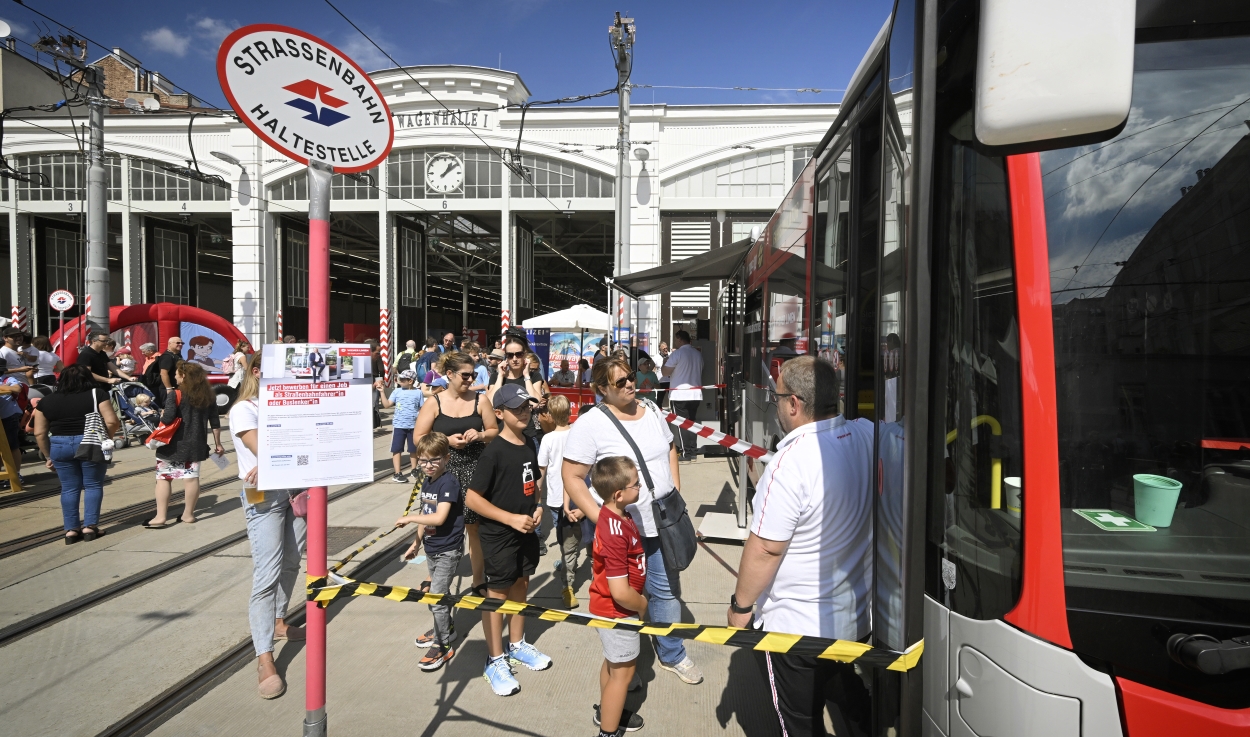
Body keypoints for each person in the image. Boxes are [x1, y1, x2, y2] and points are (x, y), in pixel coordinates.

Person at [727, 356, 873, 737]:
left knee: (798, 723)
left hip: (793, 633)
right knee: (847, 693)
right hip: (853, 620)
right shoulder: (867, 436)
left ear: (793, 403)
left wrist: (740, 608)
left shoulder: (787, 463)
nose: (775, 406)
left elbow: (765, 549)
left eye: (777, 398)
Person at [562, 356, 704, 686]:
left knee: (667, 593)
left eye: (630, 377)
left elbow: (670, 448)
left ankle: (671, 654)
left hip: (662, 523)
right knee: (624, 600)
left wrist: (674, 489)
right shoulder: (590, 424)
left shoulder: (652, 410)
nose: (630, 384)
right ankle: (625, 663)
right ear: (601, 390)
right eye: (620, 382)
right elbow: (571, 475)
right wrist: (601, 518)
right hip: (623, 535)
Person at [464, 384, 553, 696]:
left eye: (527, 407)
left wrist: (538, 507)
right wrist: (509, 518)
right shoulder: (493, 452)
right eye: (517, 409)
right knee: (497, 592)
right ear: (499, 413)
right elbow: (473, 499)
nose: (524, 413)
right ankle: (495, 657)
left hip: (526, 530)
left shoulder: (529, 443)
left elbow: (534, 482)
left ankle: (517, 644)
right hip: (500, 534)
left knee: (522, 584)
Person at [230, 352, 308, 700]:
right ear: (257, 372)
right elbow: (260, 447)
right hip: (264, 495)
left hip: (296, 487)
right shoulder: (245, 408)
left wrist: (280, 456)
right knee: (266, 572)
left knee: (292, 561)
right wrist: (276, 457)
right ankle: (264, 657)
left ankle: (277, 621)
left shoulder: (289, 404)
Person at [413, 350, 498, 598]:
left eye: (472, 375)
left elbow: (493, 430)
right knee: (438, 525)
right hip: (442, 472)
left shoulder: (480, 401)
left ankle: (478, 579)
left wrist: (480, 435)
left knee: (474, 527)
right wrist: (445, 440)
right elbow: (418, 438)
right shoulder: (434, 402)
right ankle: (434, 573)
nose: (470, 380)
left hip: (475, 468)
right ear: (449, 374)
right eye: (465, 375)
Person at [589, 455, 648, 736]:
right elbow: (620, 591)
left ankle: (607, 710)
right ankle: (608, 731)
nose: (641, 487)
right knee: (622, 674)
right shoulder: (613, 531)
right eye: (636, 484)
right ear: (619, 494)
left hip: (615, 610)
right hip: (618, 610)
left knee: (614, 666)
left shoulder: (619, 514)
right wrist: (642, 605)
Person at [397, 432, 463, 672]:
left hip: (448, 549)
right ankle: (444, 628)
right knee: (436, 596)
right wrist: (416, 543)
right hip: (433, 548)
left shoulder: (449, 482)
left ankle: (443, 643)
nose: (428, 465)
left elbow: (439, 516)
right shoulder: (427, 481)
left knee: (436, 596)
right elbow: (426, 516)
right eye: (423, 461)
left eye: (434, 460)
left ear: (446, 458)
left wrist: (409, 518)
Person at [32, 364, 120, 544]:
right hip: (90, 443)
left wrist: (48, 456)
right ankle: (90, 527)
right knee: (93, 485)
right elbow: (112, 422)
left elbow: (39, 433)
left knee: (69, 488)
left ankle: (71, 530)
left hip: (59, 445)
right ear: (88, 378)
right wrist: (105, 440)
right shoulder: (97, 394)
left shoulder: (47, 400)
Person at [147, 361, 224, 528]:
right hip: (196, 444)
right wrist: (218, 444)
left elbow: (167, 419)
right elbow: (215, 422)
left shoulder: (175, 394)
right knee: (191, 479)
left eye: (177, 374)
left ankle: (160, 517)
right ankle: (188, 515)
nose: (175, 376)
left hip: (171, 445)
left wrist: (159, 414)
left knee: (164, 478)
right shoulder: (208, 396)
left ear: (183, 376)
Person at [537, 394, 584, 609]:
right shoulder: (578, 434)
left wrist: (537, 497)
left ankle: (568, 572)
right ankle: (572, 559)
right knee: (579, 533)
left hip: (557, 497)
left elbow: (542, 471)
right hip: (579, 494)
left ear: (550, 416)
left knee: (564, 536)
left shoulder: (547, 439)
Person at [662, 330, 704, 460]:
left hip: (679, 394)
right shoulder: (698, 354)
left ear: (680, 339)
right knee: (692, 422)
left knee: (682, 424)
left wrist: (665, 362)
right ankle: (692, 450)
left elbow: (664, 372)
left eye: (676, 340)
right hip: (695, 393)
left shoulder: (677, 354)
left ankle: (687, 453)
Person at [377, 369, 424, 482]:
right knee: (397, 449)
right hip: (399, 426)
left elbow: (422, 408)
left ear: (410, 381)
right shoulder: (397, 391)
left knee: (414, 449)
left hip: (413, 426)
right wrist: (382, 392)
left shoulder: (418, 392)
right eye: (399, 378)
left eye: (402, 379)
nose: (399, 381)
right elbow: (387, 405)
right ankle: (397, 473)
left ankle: (414, 469)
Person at [0, 373, 26, 483]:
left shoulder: (8, 379)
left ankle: (16, 474)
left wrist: (2, 387)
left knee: (12, 445)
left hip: (8, 416)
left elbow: (17, 388)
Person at [156, 337, 183, 406]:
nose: (180, 344)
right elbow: (163, 373)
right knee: (169, 410)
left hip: (177, 388)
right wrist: (169, 388)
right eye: (178, 343)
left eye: (182, 343)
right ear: (170, 344)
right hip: (169, 390)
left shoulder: (177, 355)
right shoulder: (167, 357)